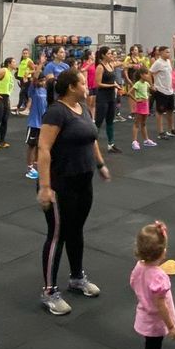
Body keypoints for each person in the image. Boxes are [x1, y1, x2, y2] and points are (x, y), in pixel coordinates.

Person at [36, 68, 111, 316]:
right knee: (57, 235)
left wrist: (100, 165)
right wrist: (45, 187)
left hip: (83, 180)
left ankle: (77, 278)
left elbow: (92, 138)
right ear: (71, 87)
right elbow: (43, 149)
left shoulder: (83, 108)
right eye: (83, 83)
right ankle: (49, 292)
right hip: (60, 184)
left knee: (76, 230)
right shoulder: (56, 112)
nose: (87, 86)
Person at [130, 221, 175, 349]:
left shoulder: (139, 267)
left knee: (150, 345)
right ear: (163, 252)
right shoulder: (159, 277)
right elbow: (161, 305)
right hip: (156, 321)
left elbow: (133, 283)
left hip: (145, 313)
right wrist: (171, 326)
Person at [23, 56, 49, 179]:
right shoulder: (33, 90)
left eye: (43, 80)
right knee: (31, 146)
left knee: (40, 146)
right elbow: (34, 77)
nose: (42, 82)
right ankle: (29, 168)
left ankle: (37, 165)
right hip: (34, 123)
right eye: (40, 81)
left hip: (43, 123)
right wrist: (41, 64)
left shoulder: (45, 91)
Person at [93, 46, 122, 153]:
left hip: (111, 97)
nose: (111, 55)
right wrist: (112, 86)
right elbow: (98, 84)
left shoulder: (111, 65)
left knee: (110, 121)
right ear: (103, 55)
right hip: (102, 97)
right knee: (99, 122)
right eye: (109, 54)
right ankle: (91, 144)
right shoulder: (100, 67)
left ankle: (111, 145)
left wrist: (115, 84)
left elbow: (112, 79)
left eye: (111, 53)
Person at [149, 47, 175, 139]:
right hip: (161, 90)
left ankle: (171, 129)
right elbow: (150, 73)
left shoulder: (168, 61)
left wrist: (174, 84)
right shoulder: (158, 63)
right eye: (167, 52)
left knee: (170, 111)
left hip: (169, 90)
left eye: (169, 52)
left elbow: (170, 74)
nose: (169, 54)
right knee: (160, 112)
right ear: (161, 53)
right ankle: (161, 132)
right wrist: (152, 85)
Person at [0, 58, 16, 150]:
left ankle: (2, 141)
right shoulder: (3, 70)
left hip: (6, 98)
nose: (15, 63)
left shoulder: (10, 73)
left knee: (5, 120)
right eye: (14, 62)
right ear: (9, 63)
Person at [131, 68, 153, 149]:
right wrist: (136, 100)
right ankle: (134, 142)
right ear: (141, 75)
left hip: (145, 105)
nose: (148, 76)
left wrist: (148, 95)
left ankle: (146, 140)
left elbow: (149, 91)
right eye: (146, 74)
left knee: (143, 123)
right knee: (137, 123)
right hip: (140, 105)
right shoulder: (137, 84)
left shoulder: (146, 83)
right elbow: (129, 93)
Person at [15, 47, 34, 113]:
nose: (25, 54)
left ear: (28, 54)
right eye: (24, 53)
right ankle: (27, 108)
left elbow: (34, 70)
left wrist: (28, 72)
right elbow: (21, 70)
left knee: (22, 94)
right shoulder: (22, 61)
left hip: (26, 79)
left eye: (26, 53)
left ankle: (18, 108)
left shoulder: (29, 61)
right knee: (25, 94)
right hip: (21, 79)